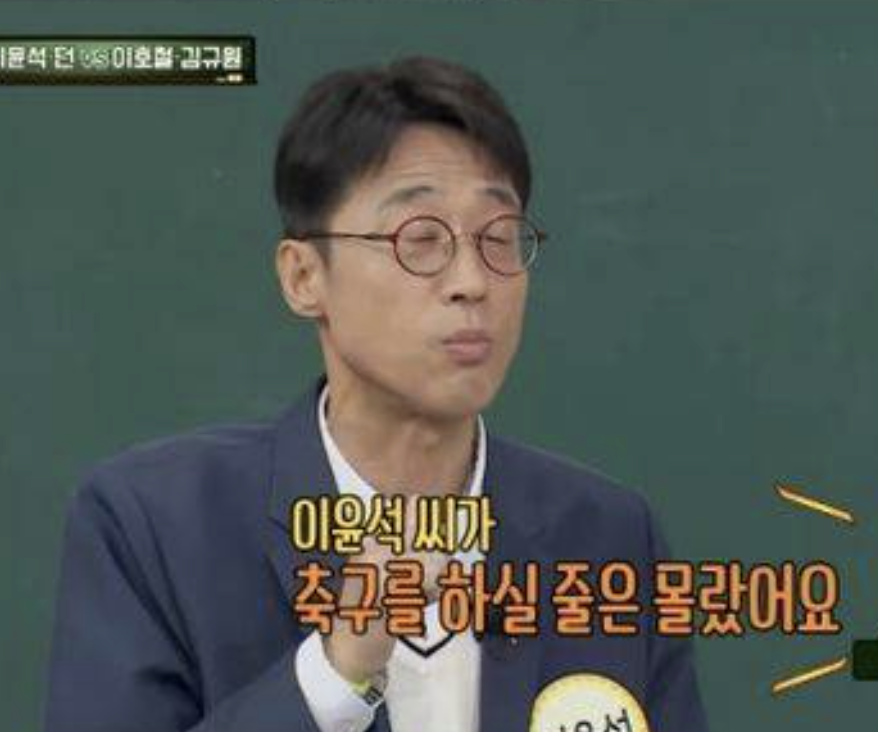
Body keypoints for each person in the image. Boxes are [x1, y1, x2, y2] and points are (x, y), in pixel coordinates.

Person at [43, 55, 708, 732]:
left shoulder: (609, 540)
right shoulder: (154, 525)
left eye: (500, 238)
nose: (472, 282)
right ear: (304, 277)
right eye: (420, 240)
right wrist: (334, 674)